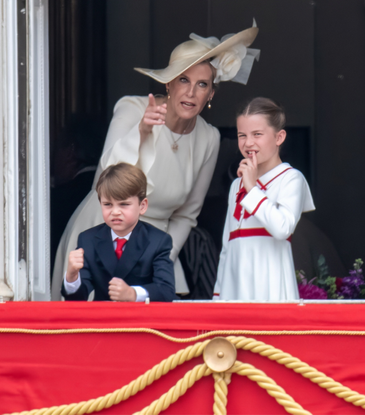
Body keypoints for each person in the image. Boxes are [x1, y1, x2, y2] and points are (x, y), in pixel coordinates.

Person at [51, 21, 260, 300]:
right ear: (169, 83)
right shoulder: (132, 108)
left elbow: (187, 216)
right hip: (100, 236)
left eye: (202, 85)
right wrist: (143, 131)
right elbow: (104, 179)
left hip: (154, 249)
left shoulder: (208, 138)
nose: (190, 92)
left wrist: (157, 259)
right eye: (183, 80)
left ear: (210, 94)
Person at [213, 97, 315, 301]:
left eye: (257, 134)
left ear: (279, 137)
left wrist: (252, 189)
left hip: (271, 287)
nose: (248, 142)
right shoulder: (236, 185)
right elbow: (227, 246)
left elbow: (282, 228)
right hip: (234, 291)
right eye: (242, 135)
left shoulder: (291, 178)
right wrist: (218, 296)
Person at [62, 163, 176, 302]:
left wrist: (132, 294)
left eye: (124, 204)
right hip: (103, 320)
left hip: (140, 321)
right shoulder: (88, 239)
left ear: (142, 206)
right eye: (108, 204)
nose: (115, 212)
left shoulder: (158, 240)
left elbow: (166, 290)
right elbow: (78, 299)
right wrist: (72, 276)